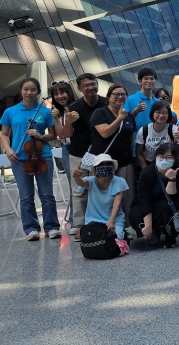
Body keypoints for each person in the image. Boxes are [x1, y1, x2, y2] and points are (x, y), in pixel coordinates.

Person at [0, 78, 60, 240]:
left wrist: (40, 135)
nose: (29, 92)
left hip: (43, 156)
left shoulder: (45, 111)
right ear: (20, 91)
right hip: (19, 158)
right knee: (26, 196)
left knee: (47, 194)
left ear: (38, 92)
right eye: (25, 89)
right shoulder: (10, 111)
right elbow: (4, 134)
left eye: (33, 90)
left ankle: (52, 226)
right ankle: (31, 228)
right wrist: (8, 149)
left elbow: (53, 135)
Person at [66, 73, 108, 238]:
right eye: (86, 85)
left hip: (102, 154)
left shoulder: (107, 103)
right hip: (80, 154)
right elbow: (65, 134)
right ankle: (80, 226)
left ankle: (104, 224)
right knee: (80, 191)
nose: (91, 87)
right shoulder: (74, 107)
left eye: (93, 84)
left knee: (104, 188)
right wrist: (68, 121)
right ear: (79, 88)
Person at [90, 84, 137, 229]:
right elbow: (104, 133)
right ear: (109, 96)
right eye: (116, 94)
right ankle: (104, 226)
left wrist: (131, 156)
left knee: (126, 195)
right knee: (105, 196)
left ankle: (126, 226)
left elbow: (131, 138)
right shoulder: (100, 113)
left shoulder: (129, 115)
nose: (120, 97)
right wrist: (119, 119)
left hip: (124, 161)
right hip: (104, 162)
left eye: (123, 94)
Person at [129, 143, 179, 248]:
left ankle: (170, 233)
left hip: (171, 202)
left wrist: (172, 179)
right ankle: (153, 231)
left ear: (174, 159)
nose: (164, 160)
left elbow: (172, 194)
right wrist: (148, 225)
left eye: (169, 157)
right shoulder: (147, 172)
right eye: (161, 156)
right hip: (148, 202)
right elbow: (145, 200)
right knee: (136, 216)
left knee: (166, 208)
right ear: (156, 156)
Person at [72, 153, 126, 240]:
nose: (104, 166)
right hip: (94, 220)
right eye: (101, 165)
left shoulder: (119, 181)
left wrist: (111, 221)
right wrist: (77, 177)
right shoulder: (91, 181)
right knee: (95, 238)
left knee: (117, 238)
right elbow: (82, 183)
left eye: (108, 163)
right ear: (95, 168)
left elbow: (117, 204)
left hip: (114, 220)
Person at [49, 81, 78, 211]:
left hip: (80, 148)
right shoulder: (58, 113)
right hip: (66, 149)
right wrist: (55, 119)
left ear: (69, 92)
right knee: (73, 185)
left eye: (62, 92)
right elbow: (60, 134)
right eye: (56, 94)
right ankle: (74, 218)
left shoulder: (78, 108)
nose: (59, 96)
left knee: (82, 183)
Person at [135, 101, 179, 169]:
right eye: (158, 112)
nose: (161, 115)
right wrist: (146, 170)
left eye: (164, 113)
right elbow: (139, 154)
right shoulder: (144, 131)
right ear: (152, 113)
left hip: (168, 165)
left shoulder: (173, 129)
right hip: (148, 164)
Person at [124, 67, 158, 137]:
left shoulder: (158, 102)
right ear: (140, 81)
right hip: (136, 139)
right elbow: (124, 120)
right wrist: (136, 111)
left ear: (155, 81)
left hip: (155, 140)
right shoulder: (130, 99)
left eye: (152, 79)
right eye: (146, 79)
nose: (149, 81)